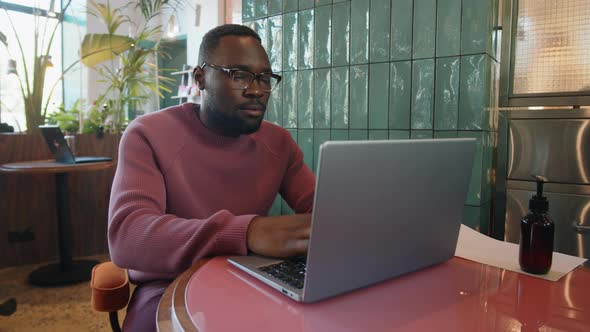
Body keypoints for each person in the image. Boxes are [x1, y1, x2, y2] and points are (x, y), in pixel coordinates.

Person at [108, 24, 316, 331]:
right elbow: (128, 235)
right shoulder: (148, 134)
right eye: (239, 75)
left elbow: (320, 209)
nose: (256, 90)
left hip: (252, 274)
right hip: (169, 282)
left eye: (264, 78)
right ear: (200, 78)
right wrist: (246, 232)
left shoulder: (279, 142)